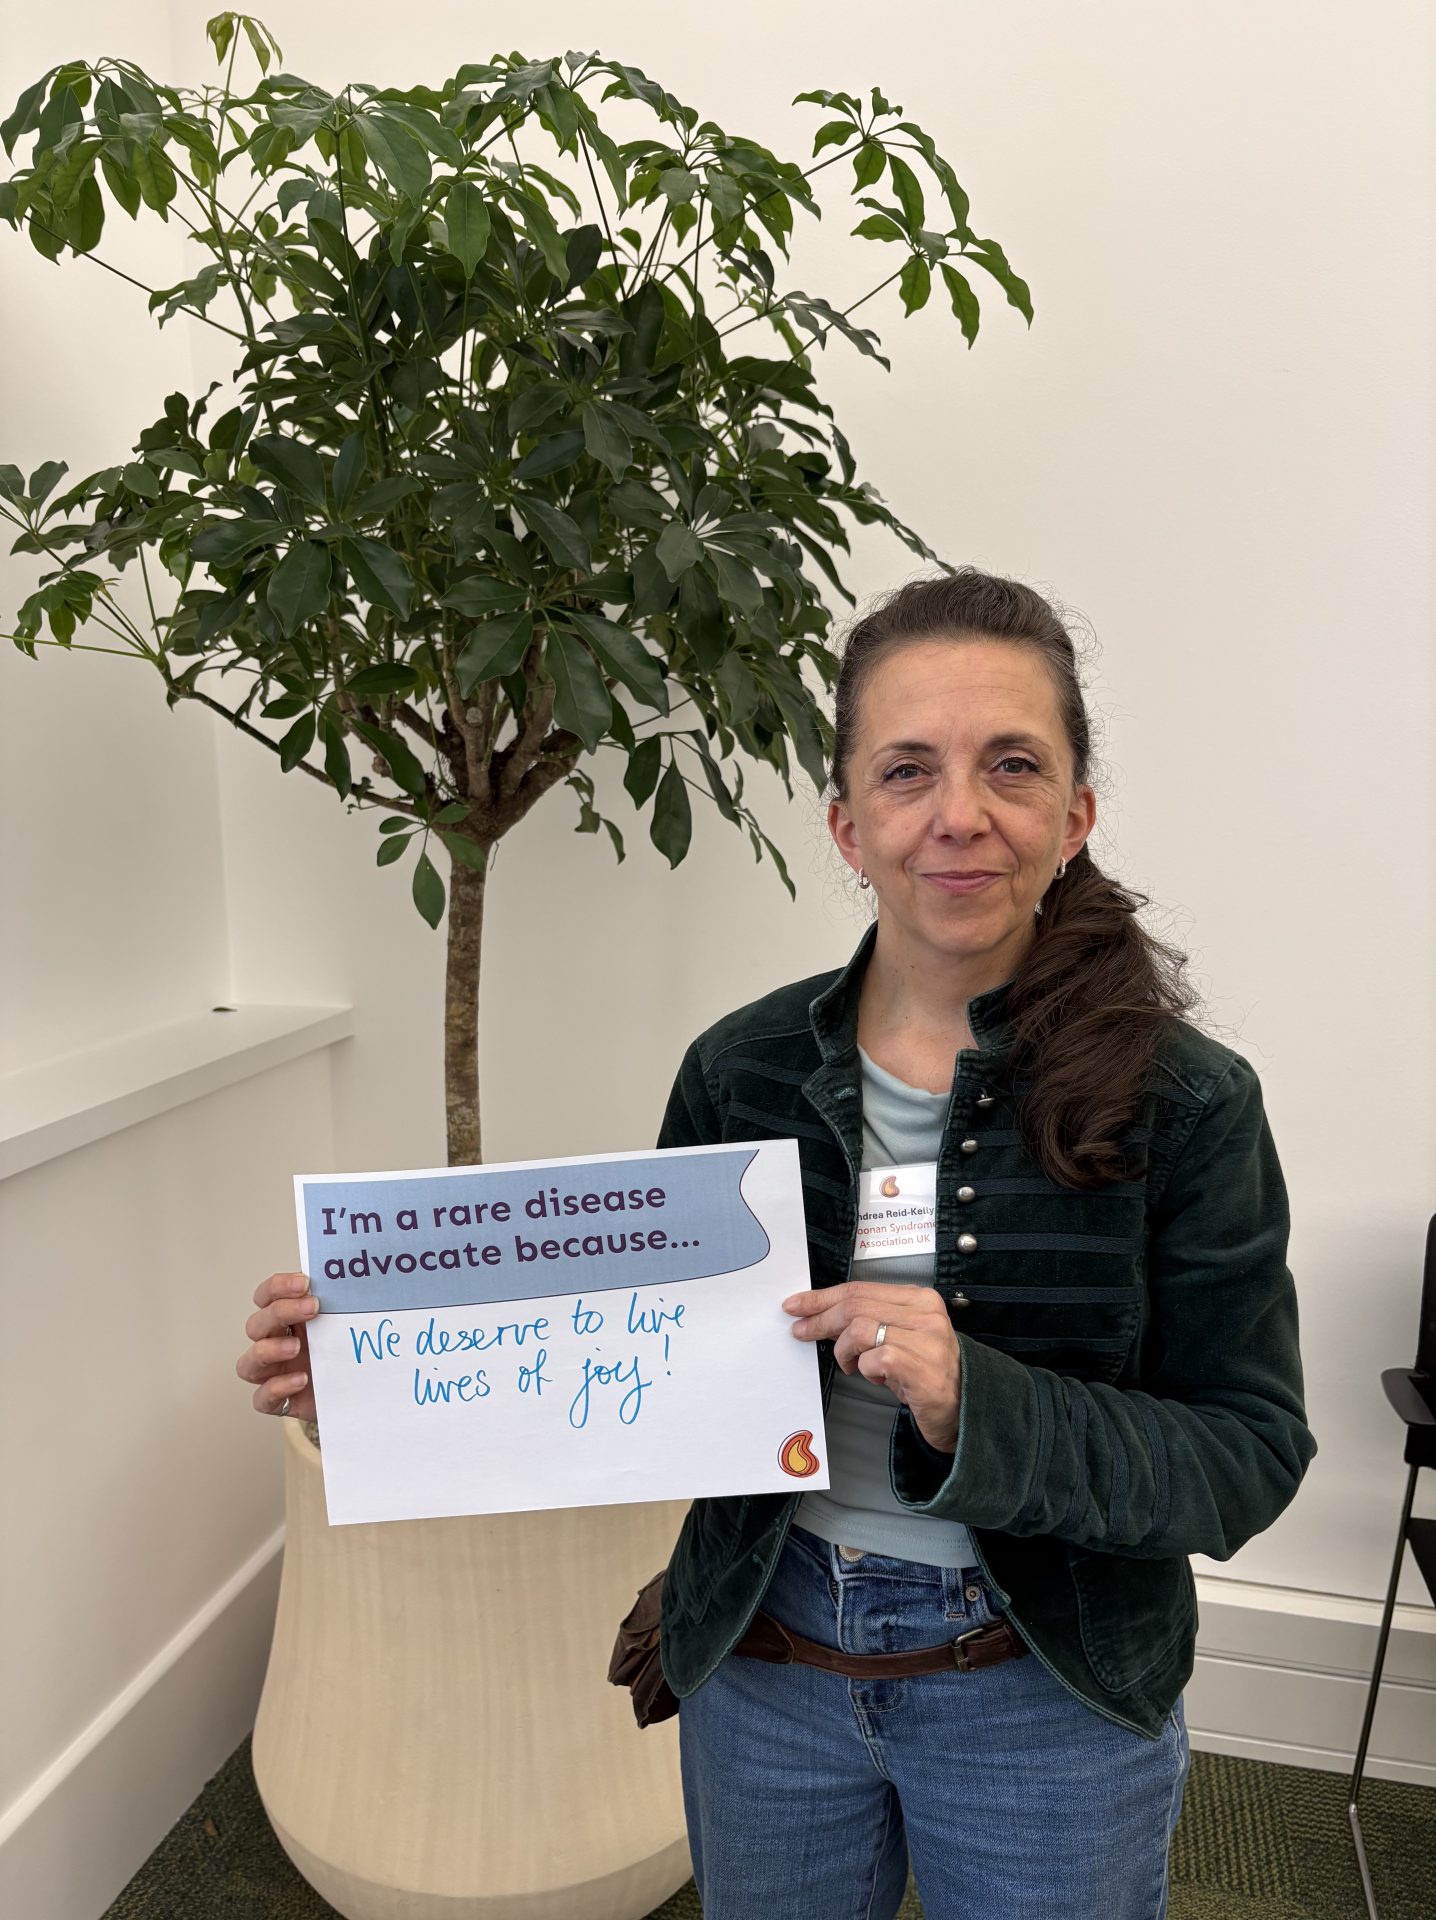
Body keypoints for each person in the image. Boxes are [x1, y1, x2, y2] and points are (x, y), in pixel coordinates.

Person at [237, 568, 1317, 1920]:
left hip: (1043, 1693)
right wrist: (379, 1378)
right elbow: (616, 1357)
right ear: (847, 823)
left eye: (1013, 766)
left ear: (1075, 815)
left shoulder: (1188, 1105)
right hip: (767, 1671)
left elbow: (1247, 1455)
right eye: (908, 771)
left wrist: (978, 1400)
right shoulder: (741, 1069)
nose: (959, 815)